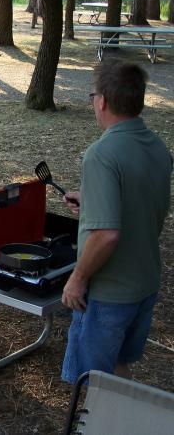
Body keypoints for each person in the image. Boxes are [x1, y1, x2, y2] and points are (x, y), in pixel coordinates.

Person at [61, 59, 172, 384]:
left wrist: (78, 279)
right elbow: (142, 204)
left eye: (92, 96)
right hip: (144, 283)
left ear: (103, 100)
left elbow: (107, 235)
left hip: (109, 293)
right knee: (118, 372)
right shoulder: (157, 147)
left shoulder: (102, 153)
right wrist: (93, 203)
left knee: (91, 385)